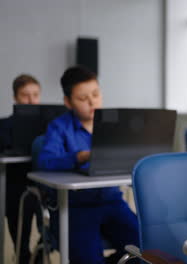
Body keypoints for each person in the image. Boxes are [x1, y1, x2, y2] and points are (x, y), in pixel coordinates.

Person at [37, 66, 138, 264]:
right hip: (76, 207)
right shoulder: (59, 127)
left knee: (149, 249)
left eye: (96, 94)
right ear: (68, 102)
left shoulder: (114, 125)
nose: (92, 102)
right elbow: (45, 161)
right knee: (88, 258)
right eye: (83, 99)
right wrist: (79, 157)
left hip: (112, 201)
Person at [0, 74, 41, 264]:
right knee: (20, 239)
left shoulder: (50, 125)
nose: (31, 100)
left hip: (43, 186)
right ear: (16, 97)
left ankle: (38, 257)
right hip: (15, 189)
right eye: (25, 95)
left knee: (51, 233)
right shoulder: (5, 125)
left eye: (35, 95)